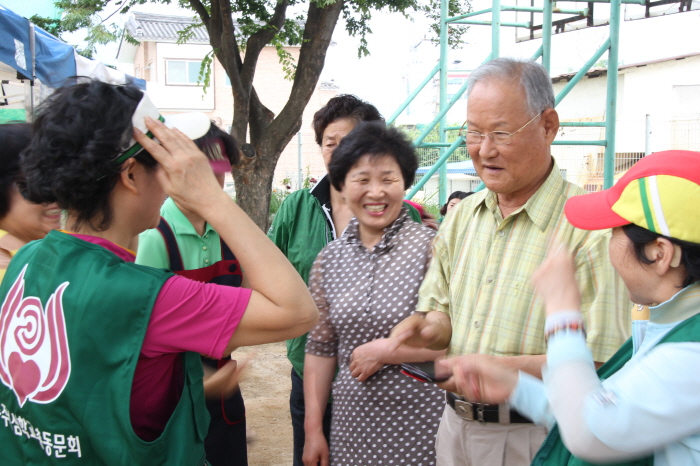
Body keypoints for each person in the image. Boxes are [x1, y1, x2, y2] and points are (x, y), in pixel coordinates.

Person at [0, 79, 317, 464]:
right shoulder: (146, 297)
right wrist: (212, 198)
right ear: (131, 175)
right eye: (163, 165)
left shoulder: (26, 260)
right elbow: (298, 312)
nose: (171, 182)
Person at [391, 57, 631, 466]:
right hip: (454, 428)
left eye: (501, 133)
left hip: (536, 435)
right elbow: (441, 314)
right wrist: (425, 328)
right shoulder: (463, 217)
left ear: (548, 126)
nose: (484, 150)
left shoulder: (589, 228)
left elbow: (598, 358)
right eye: (473, 133)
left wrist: (495, 370)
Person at [444, 149, 700, 466]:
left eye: (614, 231)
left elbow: (591, 431)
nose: (609, 244)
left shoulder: (691, 351)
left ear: (659, 254)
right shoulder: (674, 324)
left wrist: (562, 313)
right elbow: (603, 408)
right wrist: (517, 386)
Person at [267, 94, 421, 466]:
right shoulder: (297, 208)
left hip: (387, 379)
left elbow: (432, 313)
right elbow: (271, 273)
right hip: (311, 373)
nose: (337, 151)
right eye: (328, 143)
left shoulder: (409, 221)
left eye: (347, 142)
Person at [303, 122, 445, 466]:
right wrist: (313, 430)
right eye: (362, 179)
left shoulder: (432, 248)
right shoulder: (329, 260)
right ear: (341, 184)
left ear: (405, 181)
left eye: (388, 178)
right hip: (352, 427)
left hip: (423, 425)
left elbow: (453, 338)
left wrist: (389, 352)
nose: (376, 192)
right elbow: (320, 349)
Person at [136, 122, 249, 466]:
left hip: (225, 392)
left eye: (220, 171)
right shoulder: (155, 236)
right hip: (171, 395)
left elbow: (253, 296)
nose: (214, 183)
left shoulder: (231, 231)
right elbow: (139, 331)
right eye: (203, 170)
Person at [0, 123, 61, 281]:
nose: (53, 192)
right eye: (32, 183)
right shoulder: (8, 271)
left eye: (58, 178)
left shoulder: (46, 248)